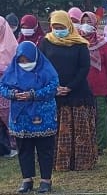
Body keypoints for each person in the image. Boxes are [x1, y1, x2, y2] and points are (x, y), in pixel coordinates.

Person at [39, 10, 98, 171]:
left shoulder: (79, 43)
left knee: (80, 129)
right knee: (57, 129)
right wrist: (54, 87)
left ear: (68, 25)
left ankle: (82, 162)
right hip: (54, 93)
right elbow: (41, 66)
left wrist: (70, 86)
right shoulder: (45, 42)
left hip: (78, 93)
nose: (58, 29)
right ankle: (59, 161)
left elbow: (84, 67)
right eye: (55, 26)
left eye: (61, 26)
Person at [0, 41, 59, 193]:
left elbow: (53, 87)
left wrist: (33, 94)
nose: (25, 64)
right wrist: (13, 94)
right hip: (21, 118)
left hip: (42, 116)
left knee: (45, 149)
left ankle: (46, 180)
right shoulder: (12, 70)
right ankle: (27, 180)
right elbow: (3, 86)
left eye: (28, 60)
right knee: (24, 149)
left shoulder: (46, 69)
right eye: (22, 61)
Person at [80, 11, 107, 153]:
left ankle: (100, 145)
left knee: (101, 117)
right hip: (82, 86)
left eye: (89, 22)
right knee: (84, 116)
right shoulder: (77, 42)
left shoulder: (103, 43)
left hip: (101, 87)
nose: (86, 25)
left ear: (95, 24)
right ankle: (86, 143)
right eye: (83, 22)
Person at [0, 17, 19, 157]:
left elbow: (15, 66)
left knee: (8, 115)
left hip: (6, 87)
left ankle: (14, 144)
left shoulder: (12, 46)